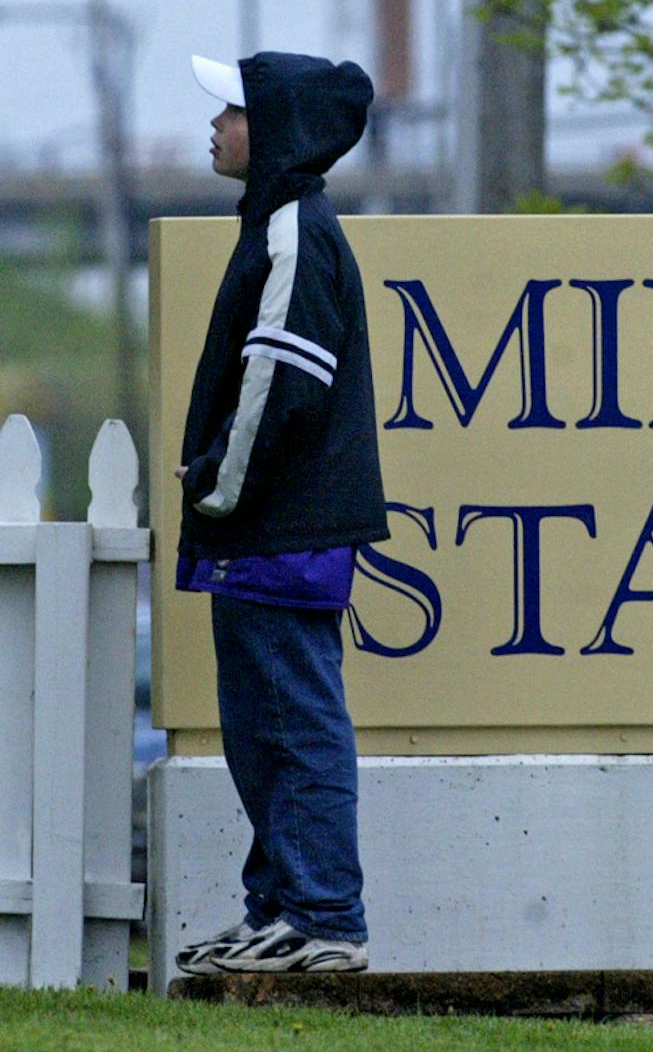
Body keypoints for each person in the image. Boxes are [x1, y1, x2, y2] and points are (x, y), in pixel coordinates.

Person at [172, 50, 388, 975]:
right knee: (261, 725)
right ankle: (280, 910)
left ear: (279, 130)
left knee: (294, 720)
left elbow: (283, 382)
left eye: (231, 111)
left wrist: (219, 485)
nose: (214, 127)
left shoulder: (297, 228)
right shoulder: (276, 223)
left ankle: (325, 919)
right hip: (264, 526)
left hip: (279, 524)